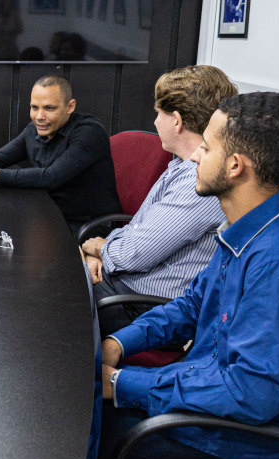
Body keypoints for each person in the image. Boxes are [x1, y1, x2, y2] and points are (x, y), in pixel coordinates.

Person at [100, 92, 279, 459]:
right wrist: (120, 342)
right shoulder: (249, 227)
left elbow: (249, 392)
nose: (196, 155)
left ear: (235, 166)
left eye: (207, 146)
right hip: (202, 410)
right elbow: (192, 306)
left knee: (61, 424)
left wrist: (122, 383)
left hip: (230, 443)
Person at [82, 66, 237, 335]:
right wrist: (97, 254)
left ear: (177, 121)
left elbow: (133, 255)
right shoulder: (181, 165)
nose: (155, 122)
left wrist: (98, 250)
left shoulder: (198, 181)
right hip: (125, 286)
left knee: (49, 293)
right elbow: (139, 231)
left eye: (158, 113)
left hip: (143, 307)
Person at [0, 75, 121, 232]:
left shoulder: (89, 132)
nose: (39, 116)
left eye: (49, 108)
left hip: (87, 226)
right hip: (46, 215)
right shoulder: (35, 129)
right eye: (34, 107)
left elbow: (50, 177)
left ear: (70, 106)